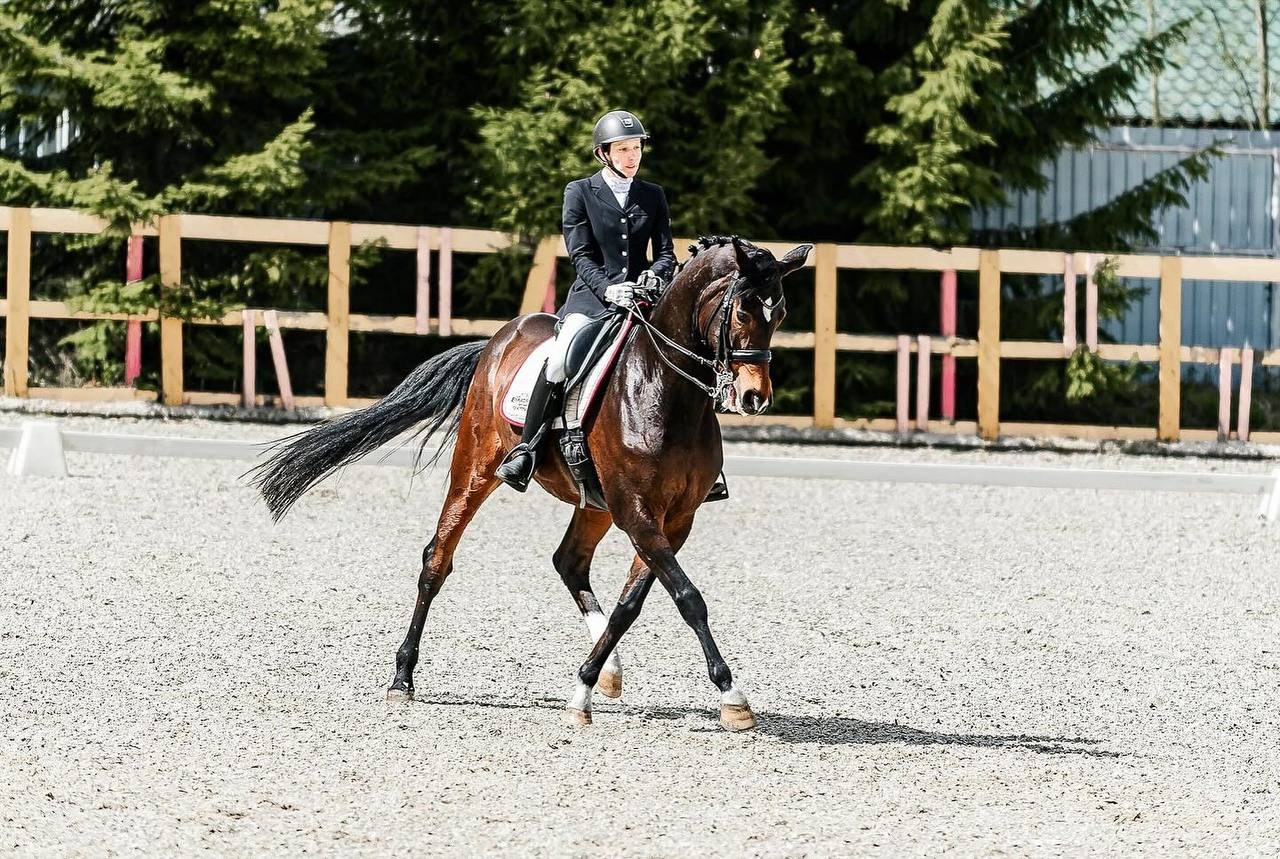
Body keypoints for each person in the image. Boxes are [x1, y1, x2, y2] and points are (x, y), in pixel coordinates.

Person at [495, 109, 676, 491]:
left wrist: (654, 276)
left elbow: (665, 253)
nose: (632, 156)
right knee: (560, 360)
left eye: (637, 147)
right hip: (593, 300)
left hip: (643, 301)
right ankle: (528, 448)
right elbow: (581, 255)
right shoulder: (579, 192)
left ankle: (693, 459)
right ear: (604, 153)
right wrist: (609, 288)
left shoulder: (653, 195)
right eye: (623, 149)